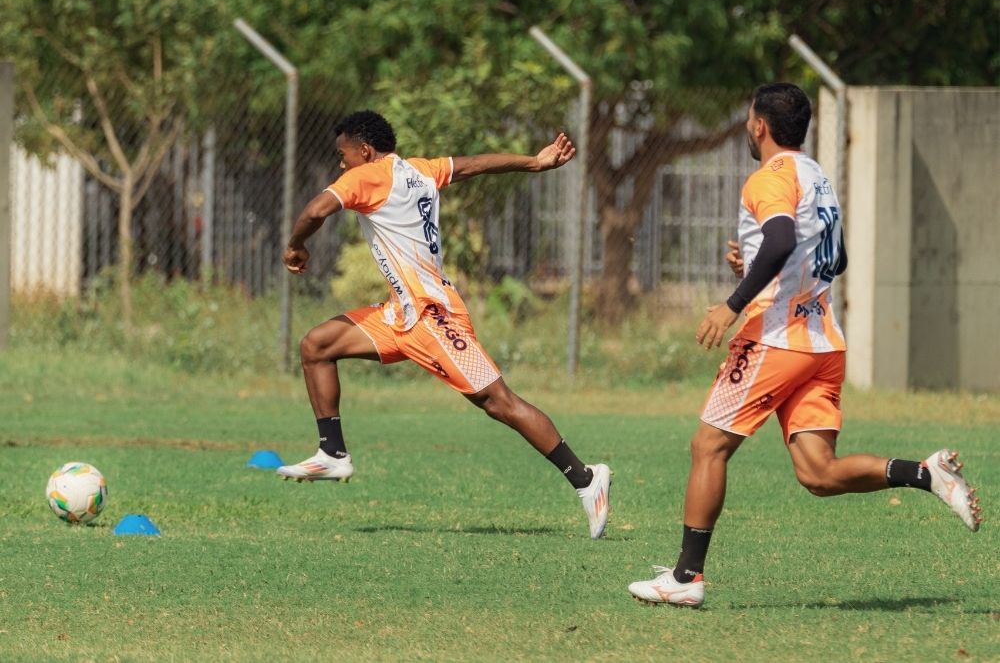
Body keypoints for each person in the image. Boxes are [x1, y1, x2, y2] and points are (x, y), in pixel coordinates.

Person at [628, 83, 982, 607]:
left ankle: (685, 579)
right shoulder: (817, 176)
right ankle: (925, 474)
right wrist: (755, 268)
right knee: (817, 472)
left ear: (758, 125)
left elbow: (779, 242)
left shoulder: (767, 178)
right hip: (822, 343)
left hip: (775, 338)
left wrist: (733, 302)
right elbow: (831, 260)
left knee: (708, 446)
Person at [276, 110, 612, 539]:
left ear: (364, 149)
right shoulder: (419, 170)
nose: (340, 165)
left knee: (498, 402)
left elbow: (315, 209)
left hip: (433, 317)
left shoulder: (367, 176)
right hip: (400, 314)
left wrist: (294, 247)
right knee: (317, 345)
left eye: (343, 155)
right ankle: (332, 451)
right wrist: (533, 161)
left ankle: (586, 479)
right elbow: (473, 165)